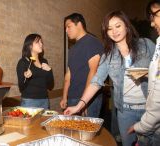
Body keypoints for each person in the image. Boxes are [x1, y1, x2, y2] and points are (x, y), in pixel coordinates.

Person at [64, 10, 155, 146]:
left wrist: (150, 73)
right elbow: (96, 82)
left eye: (118, 26)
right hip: (125, 112)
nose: (114, 31)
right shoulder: (108, 56)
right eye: (109, 28)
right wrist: (78, 106)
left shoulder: (146, 45)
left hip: (150, 108)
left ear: (126, 25)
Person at [127, 1, 160, 145]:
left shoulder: (148, 44)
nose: (153, 24)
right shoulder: (110, 53)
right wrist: (148, 74)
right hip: (126, 110)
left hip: (149, 117)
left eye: (155, 16)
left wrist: (142, 126)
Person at [60, 13, 104, 117]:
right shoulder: (72, 49)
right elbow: (68, 75)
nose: (66, 31)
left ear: (79, 24)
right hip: (72, 97)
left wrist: (84, 102)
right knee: (71, 131)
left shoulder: (92, 42)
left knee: (86, 131)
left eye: (68, 26)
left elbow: (93, 71)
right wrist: (64, 96)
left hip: (89, 98)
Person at [16, 33, 54, 109]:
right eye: (38, 42)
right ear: (30, 45)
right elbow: (21, 87)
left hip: (44, 100)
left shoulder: (44, 61)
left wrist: (50, 71)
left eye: (41, 42)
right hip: (29, 101)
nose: (41, 44)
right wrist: (26, 77)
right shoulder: (23, 62)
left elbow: (50, 86)